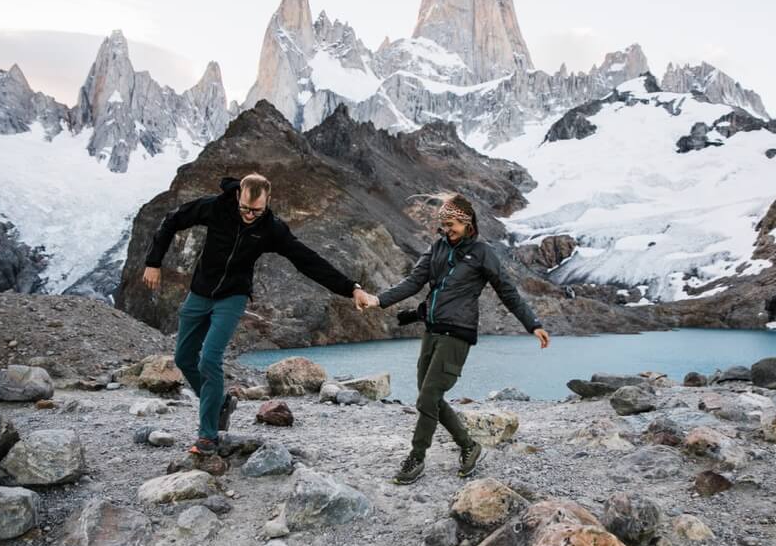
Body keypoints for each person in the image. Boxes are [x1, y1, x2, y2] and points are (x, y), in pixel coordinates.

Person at [142, 173, 376, 455]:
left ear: (267, 201)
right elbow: (173, 219)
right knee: (183, 357)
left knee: (210, 359)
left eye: (257, 210)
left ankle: (208, 436)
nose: (250, 215)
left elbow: (307, 260)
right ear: (238, 195)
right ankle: (220, 403)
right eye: (245, 208)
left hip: (232, 297)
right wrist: (154, 262)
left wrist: (352, 288)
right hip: (199, 293)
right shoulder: (216, 206)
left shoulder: (271, 228)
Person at [365, 193, 550, 484]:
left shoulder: (482, 252)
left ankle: (416, 457)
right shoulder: (437, 247)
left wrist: (532, 324)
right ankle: (469, 445)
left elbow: (507, 291)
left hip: (458, 333)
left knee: (428, 397)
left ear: (467, 223)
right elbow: (414, 281)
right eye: (443, 225)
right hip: (433, 330)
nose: (446, 230)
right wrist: (378, 300)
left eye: (451, 225)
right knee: (429, 397)